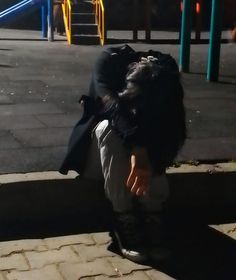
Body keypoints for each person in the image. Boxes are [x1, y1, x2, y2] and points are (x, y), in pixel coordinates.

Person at [60, 44, 186, 263]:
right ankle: (123, 216)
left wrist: (147, 153)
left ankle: (152, 214)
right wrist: (138, 148)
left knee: (159, 130)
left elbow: (173, 124)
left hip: (141, 156)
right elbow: (111, 107)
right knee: (109, 128)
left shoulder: (166, 72)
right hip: (102, 157)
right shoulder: (109, 62)